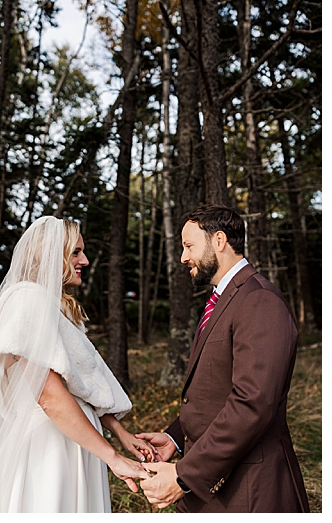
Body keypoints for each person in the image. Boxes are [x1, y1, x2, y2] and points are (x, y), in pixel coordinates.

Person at [0, 216, 154, 512]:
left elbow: (82, 384)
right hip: (51, 444)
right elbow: (48, 394)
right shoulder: (27, 301)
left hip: (78, 439)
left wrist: (120, 434)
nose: (84, 260)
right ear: (49, 254)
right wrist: (111, 457)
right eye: (75, 252)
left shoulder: (54, 307)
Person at [130, 206, 307, 511]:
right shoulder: (225, 299)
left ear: (220, 241)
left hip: (249, 489)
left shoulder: (259, 300)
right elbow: (216, 390)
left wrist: (185, 477)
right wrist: (175, 437)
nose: (184, 257)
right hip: (215, 487)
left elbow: (252, 404)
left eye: (189, 246)